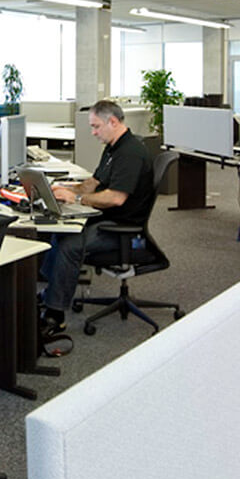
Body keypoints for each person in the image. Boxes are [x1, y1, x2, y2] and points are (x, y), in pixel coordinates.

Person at [38, 100, 155, 337]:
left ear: (113, 122)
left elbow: (115, 198)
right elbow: (95, 183)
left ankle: (55, 315)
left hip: (123, 229)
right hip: (107, 218)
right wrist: (67, 189)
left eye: (96, 126)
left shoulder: (130, 153)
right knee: (59, 230)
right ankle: (51, 294)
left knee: (70, 245)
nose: (93, 133)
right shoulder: (113, 147)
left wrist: (77, 200)